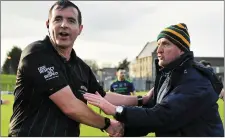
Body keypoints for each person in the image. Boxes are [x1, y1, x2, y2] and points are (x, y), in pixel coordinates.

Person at [8, 0, 152, 137]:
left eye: (71, 21)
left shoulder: (81, 68)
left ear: (80, 29)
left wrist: (142, 100)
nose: (64, 25)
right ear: (48, 24)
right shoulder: (36, 53)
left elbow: (103, 96)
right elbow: (70, 106)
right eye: (57, 19)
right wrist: (108, 124)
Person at [84, 23, 224, 137]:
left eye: (166, 44)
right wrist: (125, 130)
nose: (159, 50)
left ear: (182, 49)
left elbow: (162, 116)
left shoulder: (195, 80)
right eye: (158, 44)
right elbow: (151, 113)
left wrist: (116, 110)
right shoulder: (166, 76)